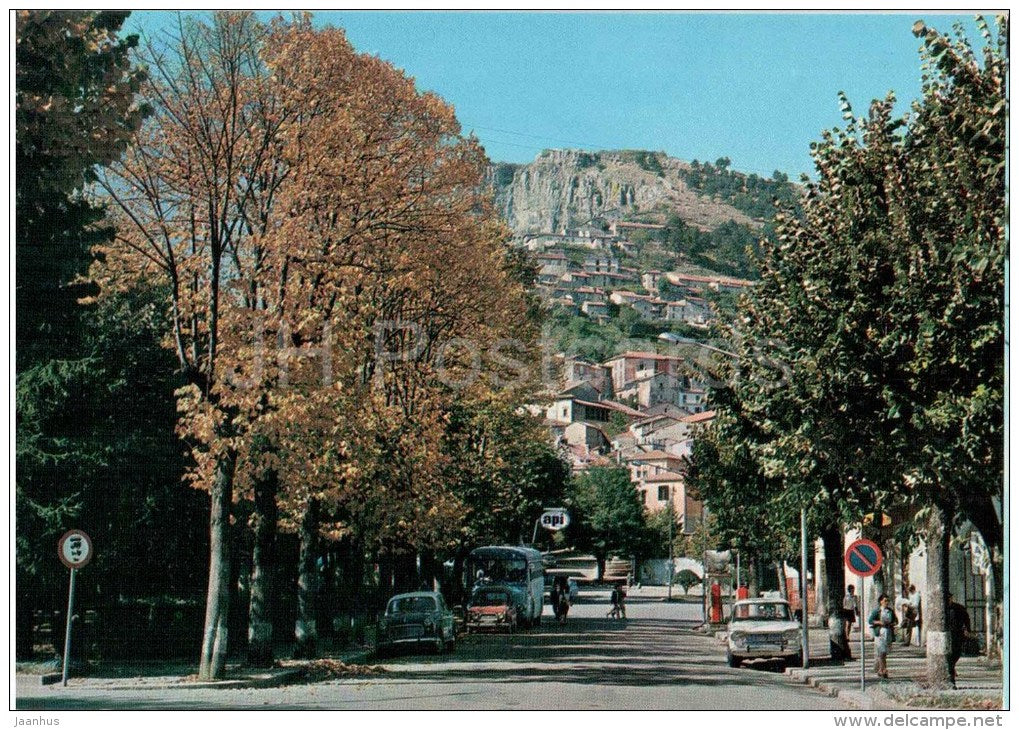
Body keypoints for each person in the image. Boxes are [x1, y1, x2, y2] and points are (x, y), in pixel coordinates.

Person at [868, 593, 898, 679]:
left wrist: (892, 623)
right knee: (881, 651)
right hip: (880, 632)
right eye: (885, 601)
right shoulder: (877, 611)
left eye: (888, 601)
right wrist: (879, 622)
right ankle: (884, 670)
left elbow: (896, 621)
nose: (887, 602)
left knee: (885, 653)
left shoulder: (890, 611)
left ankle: (881, 670)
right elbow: (870, 620)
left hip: (888, 632)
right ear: (880, 601)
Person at [947, 593, 973, 687]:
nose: (948, 600)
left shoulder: (959, 608)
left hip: (958, 635)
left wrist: (968, 630)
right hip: (947, 636)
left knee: (957, 653)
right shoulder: (942, 609)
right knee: (950, 657)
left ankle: (952, 668)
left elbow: (967, 619)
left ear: (951, 598)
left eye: (949, 598)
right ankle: (951, 677)